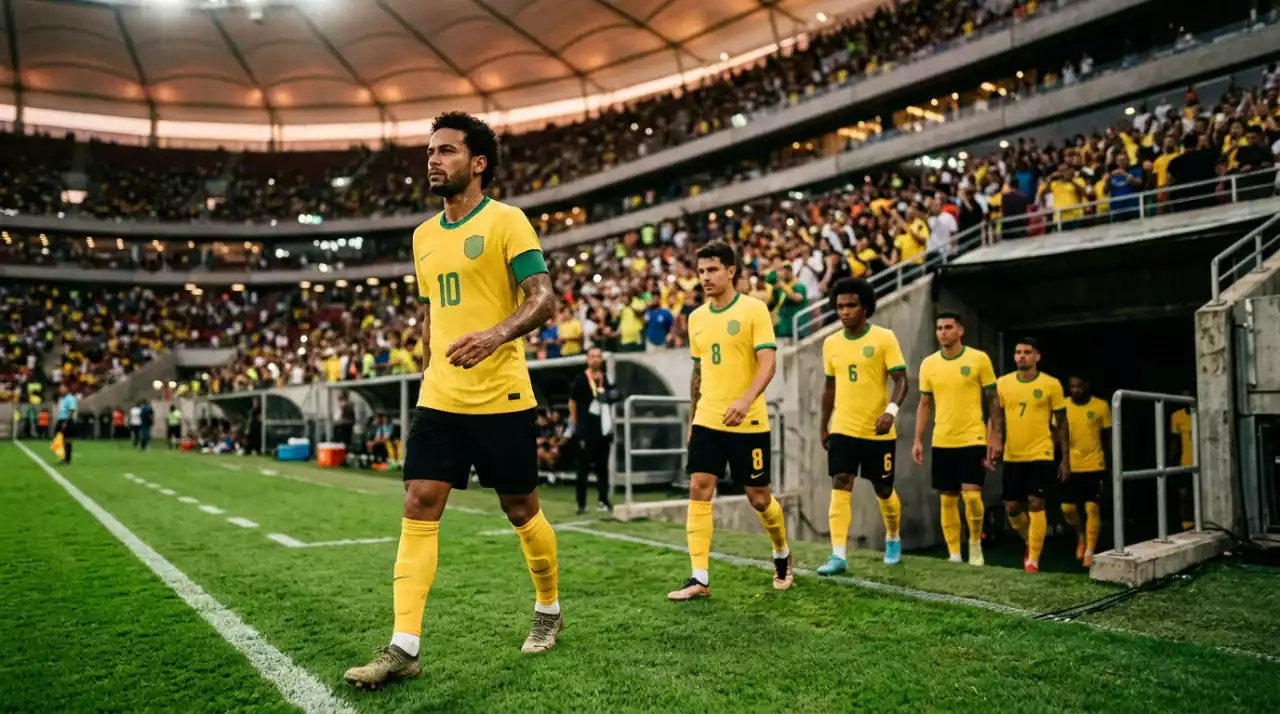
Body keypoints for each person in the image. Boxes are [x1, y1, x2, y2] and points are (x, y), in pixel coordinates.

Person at [344, 112, 561, 690]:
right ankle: (404, 646)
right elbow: (431, 311)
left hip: (502, 395)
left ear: (478, 162)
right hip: (440, 397)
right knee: (418, 502)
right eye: (430, 152)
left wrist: (494, 336)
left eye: (446, 151)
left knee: (521, 510)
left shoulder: (507, 221)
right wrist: (427, 365)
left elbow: (543, 299)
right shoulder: (423, 236)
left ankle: (548, 608)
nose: (433, 161)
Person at [668, 240, 791, 601]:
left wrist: (745, 400)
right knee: (699, 487)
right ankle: (699, 577)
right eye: (701, 271)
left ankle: (782, 553)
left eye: (712, 270)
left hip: (748, 421)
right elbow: (698, 373)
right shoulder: (696, 318)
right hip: (708, 418)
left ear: (731, 271)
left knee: (759, 498)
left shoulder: (754, 310)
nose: (705, 277)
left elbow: (768, 364)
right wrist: (693, 418)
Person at [815, 278, 908, 574]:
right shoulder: (831, 343)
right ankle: (838, 556)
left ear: (865, 307)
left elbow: (901, 380)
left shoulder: (884, 338)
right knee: (841, 481)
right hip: (843, 426)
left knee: (883, 488)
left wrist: (890, 412)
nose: (844, 311)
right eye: (840, 306)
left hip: (878, 429)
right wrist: (824, 425)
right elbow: (829, 388)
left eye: (851, 306)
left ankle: (893, 536)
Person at [913, 312, 1001, 566]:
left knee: (972, 496)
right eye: (939, 328)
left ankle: (974, 544)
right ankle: (954, 554)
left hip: (972, 437)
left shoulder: (978, 359)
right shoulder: (929, 364)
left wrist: (995, 435)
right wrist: (917, 439)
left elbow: (993, 399)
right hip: (942, 440)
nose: (943, 332)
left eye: (948, 327)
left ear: (960, 330)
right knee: (947, 498)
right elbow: (924, 403)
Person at [996, 338, 1068, 573]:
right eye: (1018, 352)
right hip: (1013, 454)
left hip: (1041, 453)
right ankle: (1030, 540)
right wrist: (992, 442)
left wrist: (1064, 458)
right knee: (1011, 507)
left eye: (1027, 352)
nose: (1021, 356)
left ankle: (1033, 561)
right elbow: (995, 418)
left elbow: (1062, 422)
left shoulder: (1051, 384)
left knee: (1036, 502)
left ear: (1037, 356)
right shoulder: (1003, 383)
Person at [1064, 376, 1110, 567]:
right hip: (1070, 464)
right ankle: (1081, 536)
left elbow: (1107, 436)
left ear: (1087, 386)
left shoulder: (1101, 406)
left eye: (1079, 386)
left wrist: (1109, 463)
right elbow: (1057, 434)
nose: (1076, 390)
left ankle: (1090, 550)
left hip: (1094, 464)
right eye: (1072, 387)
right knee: (1067, 509)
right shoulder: (1063, 405)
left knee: (1092, 508)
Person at [568, 347, 616, 514]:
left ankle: (603, 500)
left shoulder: (606, 378)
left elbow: (616, 394)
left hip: (603, 429)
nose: (596, 359)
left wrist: (609, 395)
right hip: (585, 430)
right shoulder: (580, 379)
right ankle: (581, 504)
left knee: (603, 468)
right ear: (587, 360)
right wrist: (576, 423)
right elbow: (572, 402)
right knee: (583, 468)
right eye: (593, 356)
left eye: (598, 356)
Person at [1169, 390, 1196, 531]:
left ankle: (1197, 520)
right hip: (1184, 462)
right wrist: (1172, 460)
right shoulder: (1176, 416)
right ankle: (1185, 521)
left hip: (1200, 462)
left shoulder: (1200, 414)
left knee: (1196, 492)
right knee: (1183, 494)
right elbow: (1175, 441)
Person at [55, 384, 77, 465]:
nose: (60, 391)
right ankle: (63, 457)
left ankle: (67, 459)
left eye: (62, 389)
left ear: (66, 390)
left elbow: (71, 410)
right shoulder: (61, 399)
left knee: (67, 440)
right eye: (60, 390)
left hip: (66, 420)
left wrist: (66, 422)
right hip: (60, 419)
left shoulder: (70, 398)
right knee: (60, 440)